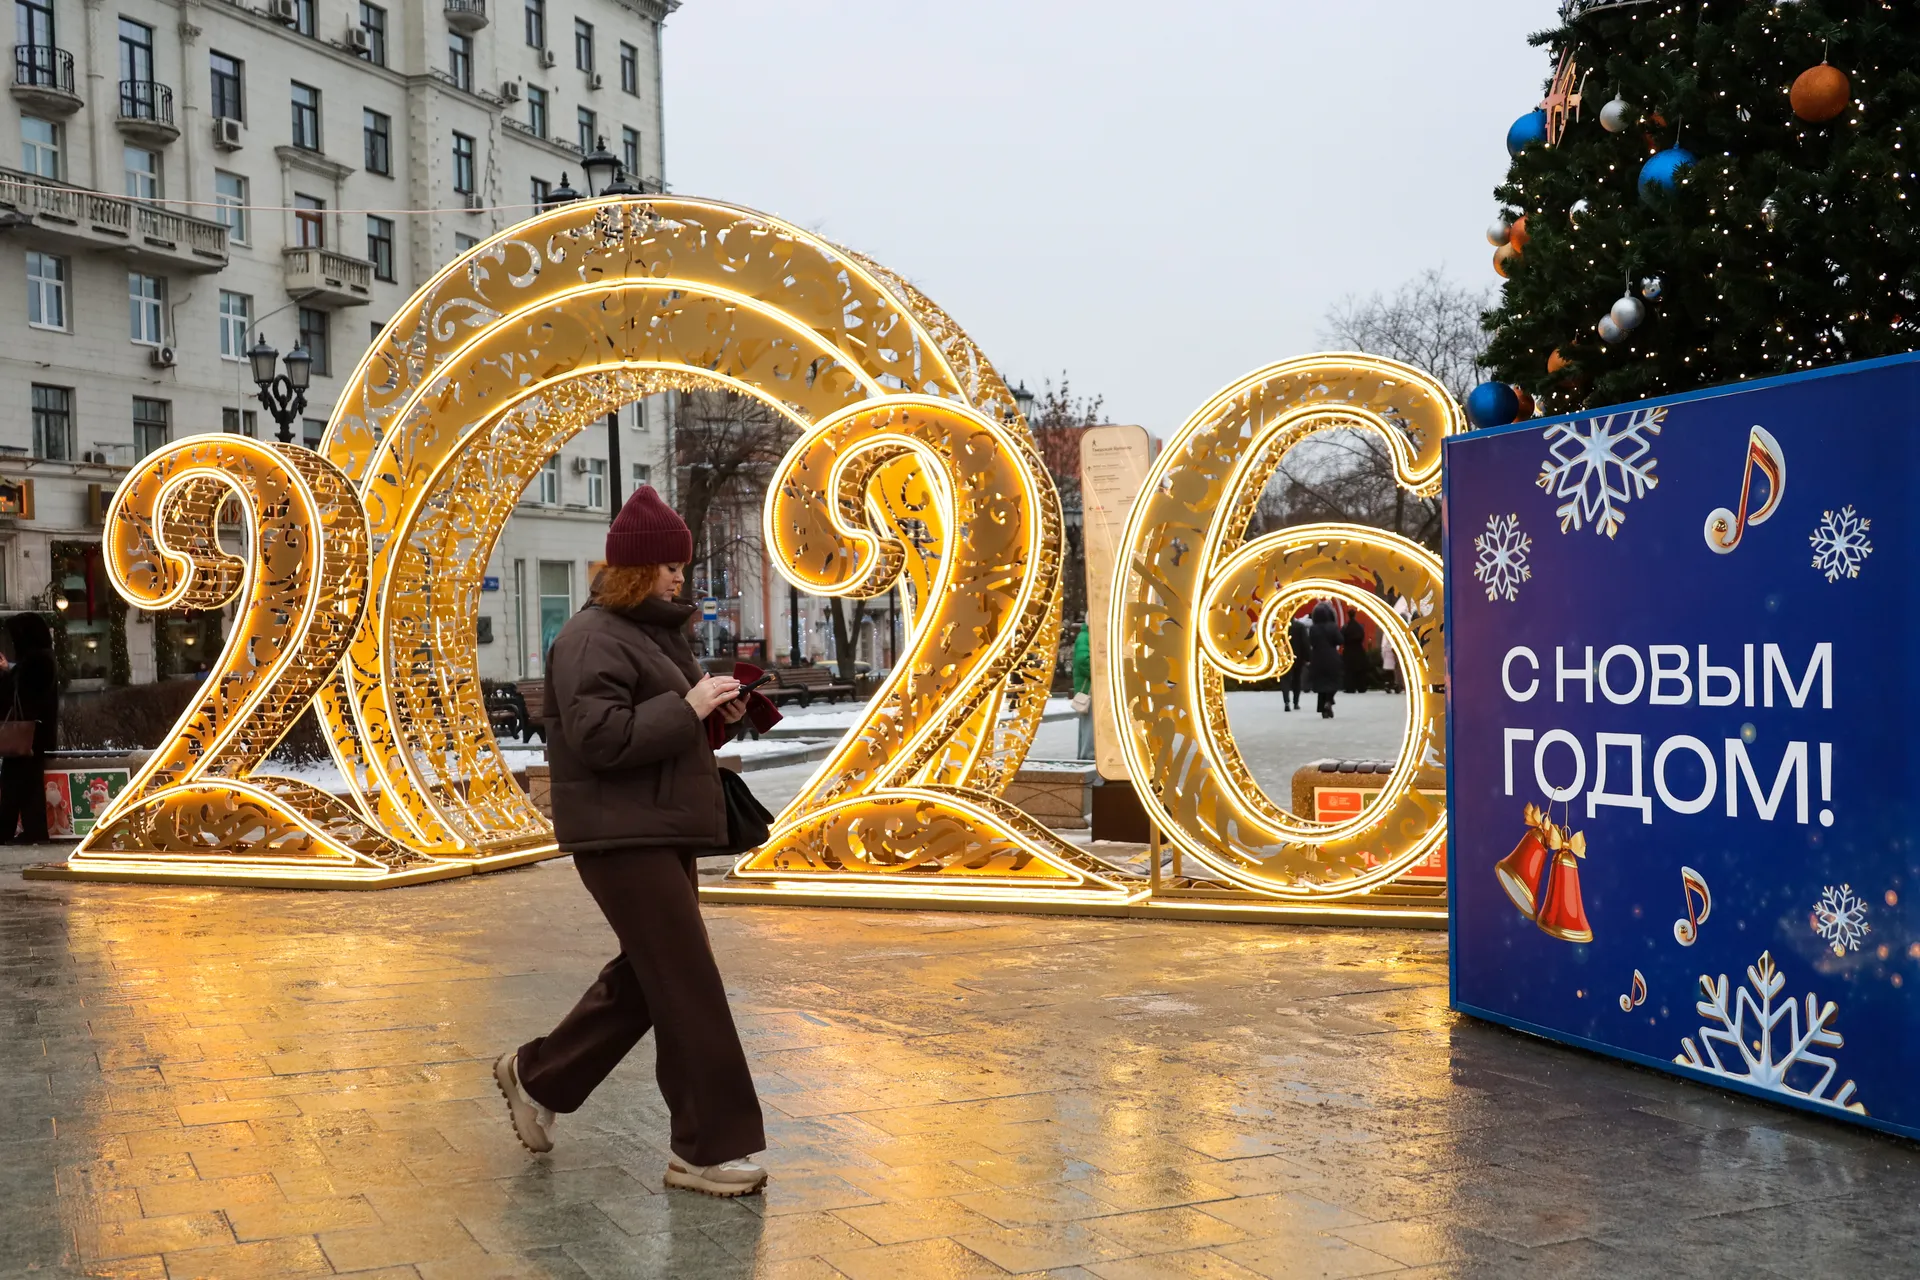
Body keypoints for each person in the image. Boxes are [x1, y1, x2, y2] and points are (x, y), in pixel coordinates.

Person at [495, 486, 769, 1198]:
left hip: (660, 826)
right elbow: (601, 740)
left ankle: (538, 1076)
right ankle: (704, 1150)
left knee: (653, 979)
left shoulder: (654, 635)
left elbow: (667, 732)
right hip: (620, 838)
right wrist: (686, 706)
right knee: (688, 984)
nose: (680, 578)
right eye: (670, 567)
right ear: (636, 569)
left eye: (681, 567)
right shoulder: (590, 638)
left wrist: (720, 711)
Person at [0, 613, 58, 843]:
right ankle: (33, 830)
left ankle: (11, 830)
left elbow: (21, 695)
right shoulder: (41, 659)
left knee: (14, 784)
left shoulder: (36, 662)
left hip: (27, 735)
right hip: (34, 735)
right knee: (27, 786)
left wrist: (6, 673)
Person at [1309, 602, 1344, 719]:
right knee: (1333, 681)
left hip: (1317, 658)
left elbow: (1311, 642)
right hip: (1331, 657)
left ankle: (1323, 708)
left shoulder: (1313, 629)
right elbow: (1340, 640)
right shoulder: (1332, 627)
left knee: (1321, 684)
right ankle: (1329, 701)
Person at [1071, 623, 1094, 761]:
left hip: (1090, 688)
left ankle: (1087, 755)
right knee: (1090, 724)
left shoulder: (1086, 636)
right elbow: (1083, 662)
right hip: (1090, 689)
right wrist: (1102, 671)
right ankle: (1088, 755)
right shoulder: (1086, 637)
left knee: (1089, 724)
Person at [1282, 613, 1310, 711]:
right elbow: (1305, 643)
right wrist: (1308, 658)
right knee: (1297, 680)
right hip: (1298, 657)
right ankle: (1296, 702)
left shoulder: (1281, 627)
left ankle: (1286, 702)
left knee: (1285, 680)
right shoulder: (1300, 626)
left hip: (1284, 657)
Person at [1342, 610, 1369, 693]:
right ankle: (1361, 687)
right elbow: (1362, 636)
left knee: (1349, 670)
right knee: (1360, 670)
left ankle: (1350, 688)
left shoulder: (1346, 627)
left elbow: (1342, 637)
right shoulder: (1359, 627)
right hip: (1358, 650)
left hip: (1349, 650)